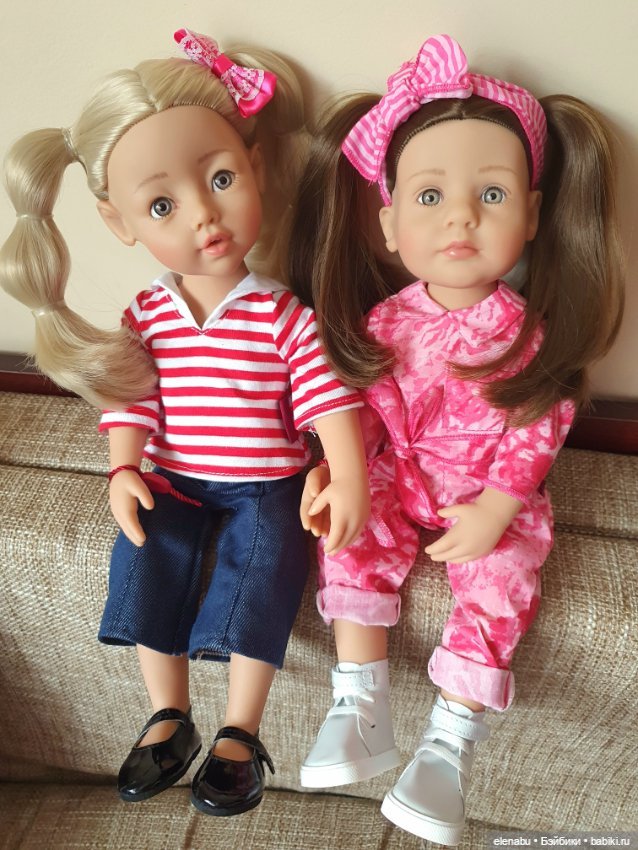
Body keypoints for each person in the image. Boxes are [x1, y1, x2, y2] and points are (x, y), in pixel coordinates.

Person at [0, 28, 370, 817]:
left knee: (264, 569)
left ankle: (241, 732)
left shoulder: (282, 315)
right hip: (172, 477)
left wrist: (347, 476)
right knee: (143, 555)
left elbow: (328, 399)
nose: (204, 214)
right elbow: (131, 397)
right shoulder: (148, 314)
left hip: (268, 483)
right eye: (163, 204)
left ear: (257, 167)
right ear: (119, 222)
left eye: (222, 178)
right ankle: (168, 715)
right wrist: (123, 467)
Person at [288, 34, 624, 846]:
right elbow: (361, 409)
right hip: (396, 478)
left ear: (533, 215)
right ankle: (359, 699)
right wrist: (331, 471)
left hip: (486, 495)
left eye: (492, 194)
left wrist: (500, 506)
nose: (461, 216)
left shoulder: (527, 334)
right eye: (430, 195)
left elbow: (538, 425)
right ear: (389, 222)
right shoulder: (382, 323)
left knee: (502, 577)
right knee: (349, 530)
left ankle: (448, 746)